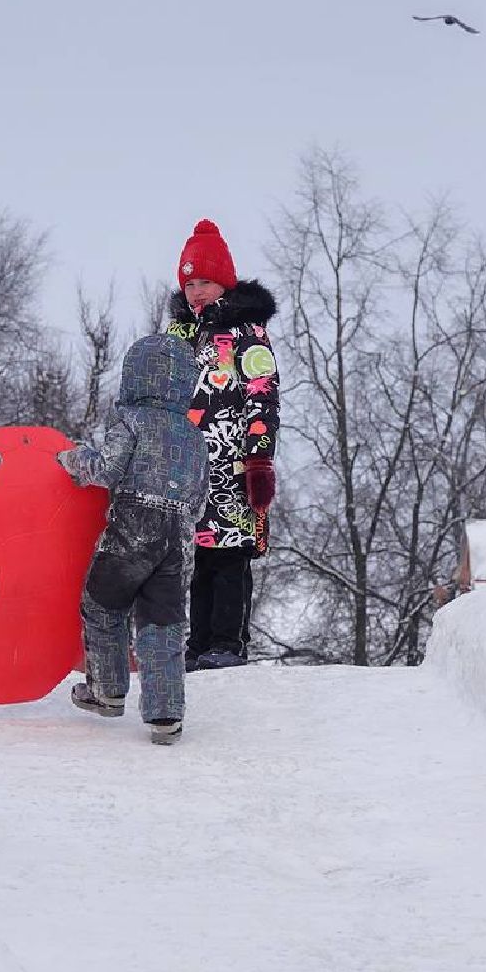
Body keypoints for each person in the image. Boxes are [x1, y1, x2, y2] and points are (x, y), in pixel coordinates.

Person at [59, 333, 208, 745]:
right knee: (162, 623)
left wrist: (72, 458)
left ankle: (107, 691)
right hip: (178, 537)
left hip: (133, 525)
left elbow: (107, 470)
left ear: (135, 376)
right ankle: (166, 716)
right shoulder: (194, 436)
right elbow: (200, 498)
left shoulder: (131, 419)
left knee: (103, 604)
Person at [164, 219, 280, 668]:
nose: (197, 292)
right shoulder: (180, 337)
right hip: (188, 467)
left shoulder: (245, 331)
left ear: (224, 283)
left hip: (232, 464)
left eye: (205, 283)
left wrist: (259, 459)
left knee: (231, 554)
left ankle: (228, 644)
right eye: (190, 284)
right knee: (201, 555)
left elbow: (262, 393)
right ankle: (199, 644)